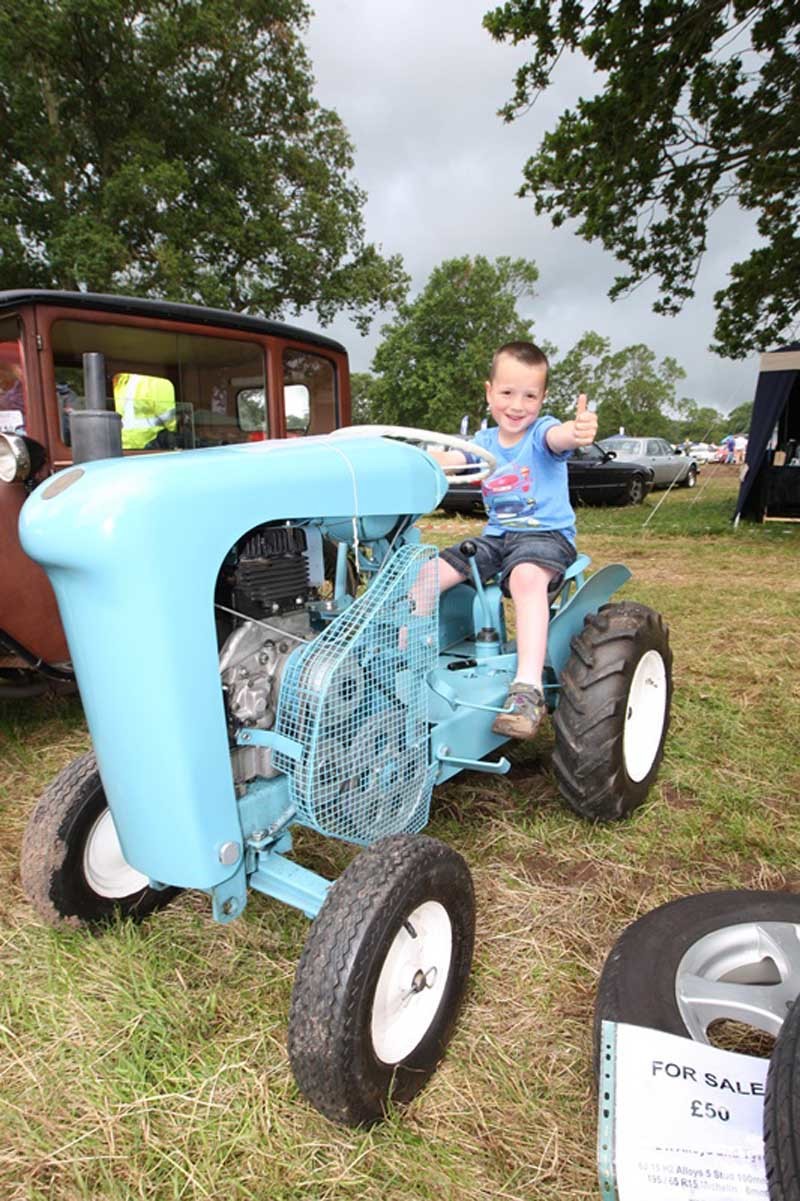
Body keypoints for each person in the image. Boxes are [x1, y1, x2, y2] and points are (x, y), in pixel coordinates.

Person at [427, 340, 597, 739]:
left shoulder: (540, 433)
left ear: (543, 398)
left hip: (545, 535)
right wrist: (423, 458)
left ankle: (527, 688)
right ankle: (399, 660)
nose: (517, 405)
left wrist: (577, 432)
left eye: (529, 395)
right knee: (424, 574)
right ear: (489, 392)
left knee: (524, 576)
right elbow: (453, 459)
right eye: (507, 393)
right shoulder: (482, 443)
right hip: (498, 537)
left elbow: (560, 438)